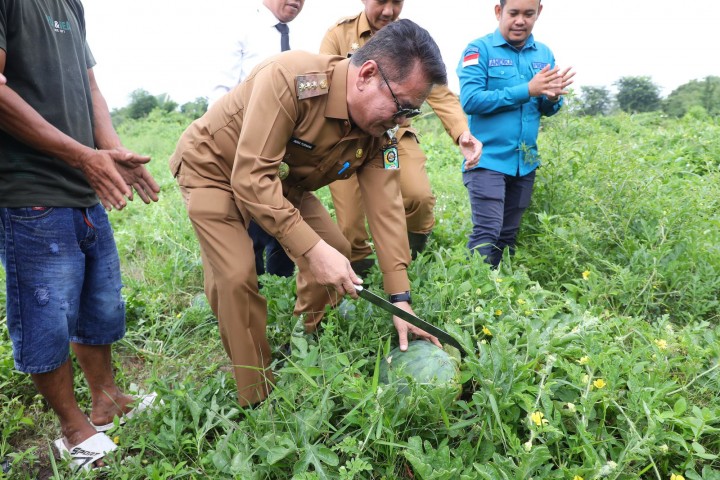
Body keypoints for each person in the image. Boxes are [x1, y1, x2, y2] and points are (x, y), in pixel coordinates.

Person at [170, 19, 447, 407]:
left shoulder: (379, 133)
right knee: (234, 275)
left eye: (411, 113)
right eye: (401, 106)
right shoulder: (291, 77)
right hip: (213, 168)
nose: (401, 121)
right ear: (367, 74)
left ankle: (305, 335)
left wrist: (400, 298)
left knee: (335, 247)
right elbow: (250, 178)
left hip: (281, 180)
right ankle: (257, 396)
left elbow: (386, 210)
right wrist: (311, 251)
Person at [0, 0, 161, 472]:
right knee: (45, 318)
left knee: (100, 304)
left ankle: (107, 400)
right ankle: (73, 430)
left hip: (83, 187)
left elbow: (89, 84)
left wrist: (108, 152)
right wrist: (82, 156)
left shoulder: (70, 2)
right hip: (29, 192)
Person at [320, 0, 483, 275]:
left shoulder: (412, 42)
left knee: (419, 196)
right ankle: (360, 272)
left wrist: (462, 132)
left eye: (396, 2)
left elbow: (440, 93)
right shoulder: (339, 35)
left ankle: (411, 257)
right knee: (349, 220)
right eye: (381, 1)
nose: (388, 10)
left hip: (394, 133)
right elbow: (328, 82)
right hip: (346, 137)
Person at [457, 0, 574, 268]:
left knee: (508, 235)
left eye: (528, 14)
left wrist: (551, 98)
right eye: (514, 13)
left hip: (525, 162)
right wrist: (527, 90)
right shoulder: (479, 50)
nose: (520, 20)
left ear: (538, 13)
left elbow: (547, 108)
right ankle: (473, 297)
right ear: (499, 12)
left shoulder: (544, 54)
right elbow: (471, 100)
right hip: (487, 160)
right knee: (487, 233)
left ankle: (500, 296)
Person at [208, 0, 306, 281]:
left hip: (287, 147)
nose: (297, 1)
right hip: (246, 142)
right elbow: (220, 92)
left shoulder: (301, 39)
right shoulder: (240, 28)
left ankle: (282, 283)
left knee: (284, 210)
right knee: (249, 219)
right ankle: (251, 284)